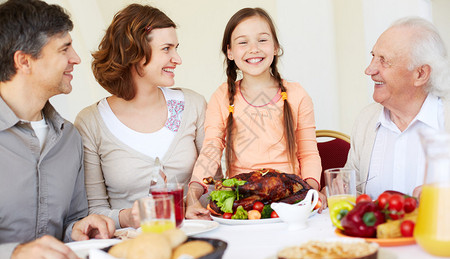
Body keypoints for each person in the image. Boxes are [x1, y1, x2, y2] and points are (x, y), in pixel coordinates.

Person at [0, 0, 115, 259]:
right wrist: (12, 258)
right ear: (23, 61)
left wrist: (79, 229)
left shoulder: (70, 138)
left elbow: (71, 221)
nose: (76, 58)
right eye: (64, 49)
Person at [74, 4, 208, 229]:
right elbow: (94, 210)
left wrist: (188, 204)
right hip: (131, 249)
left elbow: (215, 185)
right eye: (167, 49)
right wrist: (128, 217)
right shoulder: (90, 122)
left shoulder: (193, 105)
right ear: (133, 52)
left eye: (176, 48)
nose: (177, 58)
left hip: (198, 238)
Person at [185, 7, 322, 219]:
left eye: (262, 40)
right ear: (230, 52)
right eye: (243, 42)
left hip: (290, 200)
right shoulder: (222, 96)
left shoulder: (297, 94)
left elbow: (308, 153)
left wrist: (310, 191)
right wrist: (193, 194)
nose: (253, 49)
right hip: (242, 200)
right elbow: (211, 149)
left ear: (276, 47)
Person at [345, 17, 450, 199]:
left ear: (420, 74)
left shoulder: (445, 119)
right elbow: (350, 191)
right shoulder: (366, 121)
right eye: (373, 57)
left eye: (384, 60)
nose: (369, 70)